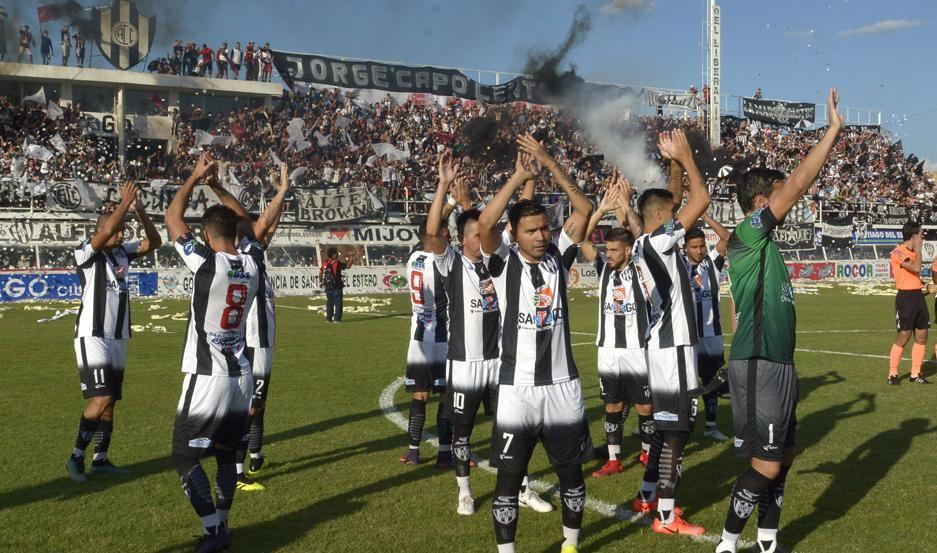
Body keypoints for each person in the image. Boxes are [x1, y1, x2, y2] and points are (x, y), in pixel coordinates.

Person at [714, 89, 845, 553]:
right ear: (761, 201)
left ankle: (767, 543)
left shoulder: (761, 246)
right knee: (765, 464)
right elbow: (797, 186)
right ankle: (727, 544)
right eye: (778, 194)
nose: (786, 200)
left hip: (780, 364)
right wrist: (831, 132)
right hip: (760, 362)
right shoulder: (753, 232)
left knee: (782, 459)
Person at [478, 135, 594, 553]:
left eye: (544, 227)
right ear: (515, 234)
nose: (541, 235)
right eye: (531, 230)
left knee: (571, 476)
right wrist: (520, 174)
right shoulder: (502, 263)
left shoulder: (557, 259)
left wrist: (549, 160)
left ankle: (570, 546)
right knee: (509, 480)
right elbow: (485, 226)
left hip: (563, 387)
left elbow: (582, 210)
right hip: (517, 390)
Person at [424, 152, 551, 516]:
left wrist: (526, 176)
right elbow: (433, 233)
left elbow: (522, 213)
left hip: (500, 363)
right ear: (466, 240)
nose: (486, 237)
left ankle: (523, 488)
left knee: (513, 428)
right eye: (478, 235)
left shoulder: (502, 261)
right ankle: (465, 491)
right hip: (465, 363)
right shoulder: (452, 263)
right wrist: (444, 185)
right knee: (462, 433)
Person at [165, 152, 276, 553]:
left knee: (184, 455)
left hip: (207, 374)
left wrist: (195, 176)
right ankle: (224, 523)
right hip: (241, 373)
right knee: (227, 455)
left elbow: (172, 219)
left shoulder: (206, 264)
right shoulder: (254, 262)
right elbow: (246, 220)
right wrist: (217, 185)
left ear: (209, 236)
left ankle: (213, 531)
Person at [629, 130, 710, 536]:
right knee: (677, 433)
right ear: (661, 219)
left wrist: (673, 163)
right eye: (670, 214)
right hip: (674, 349)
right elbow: (701, 201)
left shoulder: (644, 245)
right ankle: (666, 516)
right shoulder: (659, 243)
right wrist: (689, 158)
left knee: (663, 428)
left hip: (658, 349)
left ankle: (646, 495)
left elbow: (676, 201)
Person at [65, 183, 162, 482]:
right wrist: (124, 203)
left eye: (124, 230)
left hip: (117, 336)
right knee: (102, 397)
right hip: (92, 335)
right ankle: (76, 458)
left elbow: (154, 242)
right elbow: (105, 233)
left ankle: (101, 458)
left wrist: (141, 212)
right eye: (118, 230)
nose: (122, 234)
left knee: (111, 400)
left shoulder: (121, 254)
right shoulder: (87, 252)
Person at [204, 166, 290, 492]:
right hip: (252, 340)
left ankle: (255, 456)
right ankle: (238, 473)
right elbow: (260, 221)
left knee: (259, 404)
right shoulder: (243, 255)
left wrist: (214, 183)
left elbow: (267, 222)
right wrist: (281, 192)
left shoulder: (253, 254)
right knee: (249, 405)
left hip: (262, 340)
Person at [579, 172, 656, 478]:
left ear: (627, 251)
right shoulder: (603, 269)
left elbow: (642, 237)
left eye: (613, 250)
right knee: (612, 405)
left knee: (645, 407)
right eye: (607, 250)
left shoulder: (640, 266)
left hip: (637, 348)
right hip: (608, 350)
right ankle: (613, 458)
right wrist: (601, 210)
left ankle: (648, 454)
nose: (607, 254)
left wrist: (625, 206)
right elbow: (582, 240)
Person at [399, 208, 455, 468]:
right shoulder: (445, 260)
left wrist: (449, 205)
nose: (450, 236)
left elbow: (429, 230)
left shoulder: (414, 255)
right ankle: (444, 452)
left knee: (419, 395)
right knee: (445, 396)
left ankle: (413, 451)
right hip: (444, 339)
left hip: (419, 339)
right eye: (446, 232)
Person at [685, 212, 731, 441]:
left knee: (711, 382)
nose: (699, 250)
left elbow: (726, 238)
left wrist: (704, 215)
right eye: (694, 246)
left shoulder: (711, 263)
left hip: (712, 335)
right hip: (686, 337)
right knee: (685, 383)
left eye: (702, 245)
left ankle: (711, 427)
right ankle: (680, 426)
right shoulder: (677, 265)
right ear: (685, 248)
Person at [887, 221, 929, 385]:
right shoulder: (898, 252)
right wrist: (919, 248)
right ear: (914, 236)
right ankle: (892, 373)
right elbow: (916, 267)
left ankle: (915, 373)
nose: (923, 237)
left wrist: (924, 284)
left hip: (918, 296)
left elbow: (915, 274)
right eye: (921, 234)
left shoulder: (912, 251)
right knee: (904, 336)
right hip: (906, 298)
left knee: (922, 335)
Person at [320, 248, 351, 323]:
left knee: (329, 303)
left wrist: (322, 282)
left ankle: (328, 318)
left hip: (328, 287)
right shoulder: (337, 263)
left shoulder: (325, 263)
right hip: (336, 286)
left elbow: (321, 273)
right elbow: (348, 266)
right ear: (333, 255)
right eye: (336, 253)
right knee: (338, 303)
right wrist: (352, 257)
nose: (337, 254)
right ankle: (337, 319)